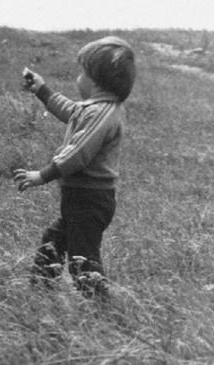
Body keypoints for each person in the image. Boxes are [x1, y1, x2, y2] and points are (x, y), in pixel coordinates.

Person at [13, 36, 136, 298]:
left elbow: (77, 155)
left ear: (95, 80)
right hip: (81, 198)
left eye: (82, 72)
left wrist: (42, 175)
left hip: (90, 200)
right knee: (53, 241)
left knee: (82, 258)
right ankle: (40, 292)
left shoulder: (102, 113)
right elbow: (71, 111)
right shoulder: (97, 109)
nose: (78, 78)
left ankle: (98, 306)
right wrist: (42, 90)